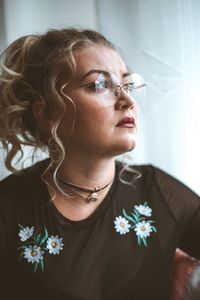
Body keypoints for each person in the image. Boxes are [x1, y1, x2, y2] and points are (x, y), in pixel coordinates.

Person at [0, 27, 200, 300]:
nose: (127, 100)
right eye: (99, 85)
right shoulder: (8, 206)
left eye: (127, 84)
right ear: (46, 111)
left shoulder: (159, 194)